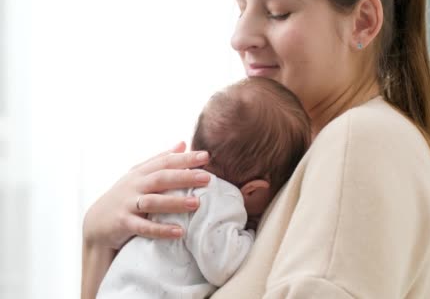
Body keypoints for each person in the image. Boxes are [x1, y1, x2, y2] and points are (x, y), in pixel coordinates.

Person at [82, 0, 430, 298]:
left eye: (278, 11)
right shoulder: (308, 165)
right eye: (241, 7)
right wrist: (98, 245)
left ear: (364, 22)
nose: (239, 36)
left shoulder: (361, 143)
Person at [96, 77, 310, 298]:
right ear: (253, 189)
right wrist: (251, 235)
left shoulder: (173, 181)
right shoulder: (220, 196)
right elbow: (223, 266)